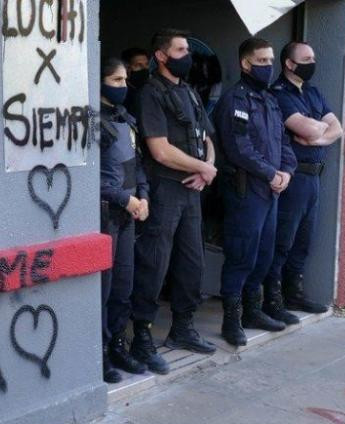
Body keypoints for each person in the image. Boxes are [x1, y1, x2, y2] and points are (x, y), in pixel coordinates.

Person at [129, 29, 220, 375]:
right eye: (181, 50)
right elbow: (160, 150)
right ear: (162, 56)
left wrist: (206, 169)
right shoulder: (151, 93)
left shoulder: (190, 91)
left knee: (191, 263)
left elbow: (207, 136)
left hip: (192, 190)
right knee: (154, 264)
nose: (188, 55)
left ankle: (182, 329)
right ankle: (141, 336)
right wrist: (204, 168)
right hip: (165, 190)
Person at [212, 37, 297, 347]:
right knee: (241, 255)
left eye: (270, 60)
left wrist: (286, 171)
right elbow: (238, 149)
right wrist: (270, 173)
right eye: (261, 61)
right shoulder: (235, 101)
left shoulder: (271, 101)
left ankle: (252, 310)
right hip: (247, 191)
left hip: (271, 190)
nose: (268, 66)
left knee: (264, 253)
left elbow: (284, 143)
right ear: (245, 64)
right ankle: (231, 320)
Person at [265, 41, 343, 320]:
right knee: (283, 238)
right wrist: (315, 129)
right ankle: (271, 299)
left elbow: (337, 129)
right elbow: (309, 129)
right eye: (306, 58)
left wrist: (315, 133)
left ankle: (293, 294)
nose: (312, 62)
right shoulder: (279, 94)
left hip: (314, 177)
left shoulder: (312, 92)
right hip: (293, 177)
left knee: (303, 240)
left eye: (314, 57)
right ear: (289, 63)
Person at [99, 58, 150, 383]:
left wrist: (143, 196)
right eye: (116, 81)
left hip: (129, 213)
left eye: (124, 80)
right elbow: (89, 177)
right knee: (102, 291)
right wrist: (126, 199)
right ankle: (100, 353)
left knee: (123, 287)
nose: (123, 86)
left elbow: (137, 166)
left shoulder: (126, 120)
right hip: (106, 214)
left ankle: (118, 344)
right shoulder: (92, 122)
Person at [122, 47, 151, 116]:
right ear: (126, 69)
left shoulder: (150, 90)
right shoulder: (122, 95)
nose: (145, 69)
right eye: (138, 65)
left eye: (147, 64)